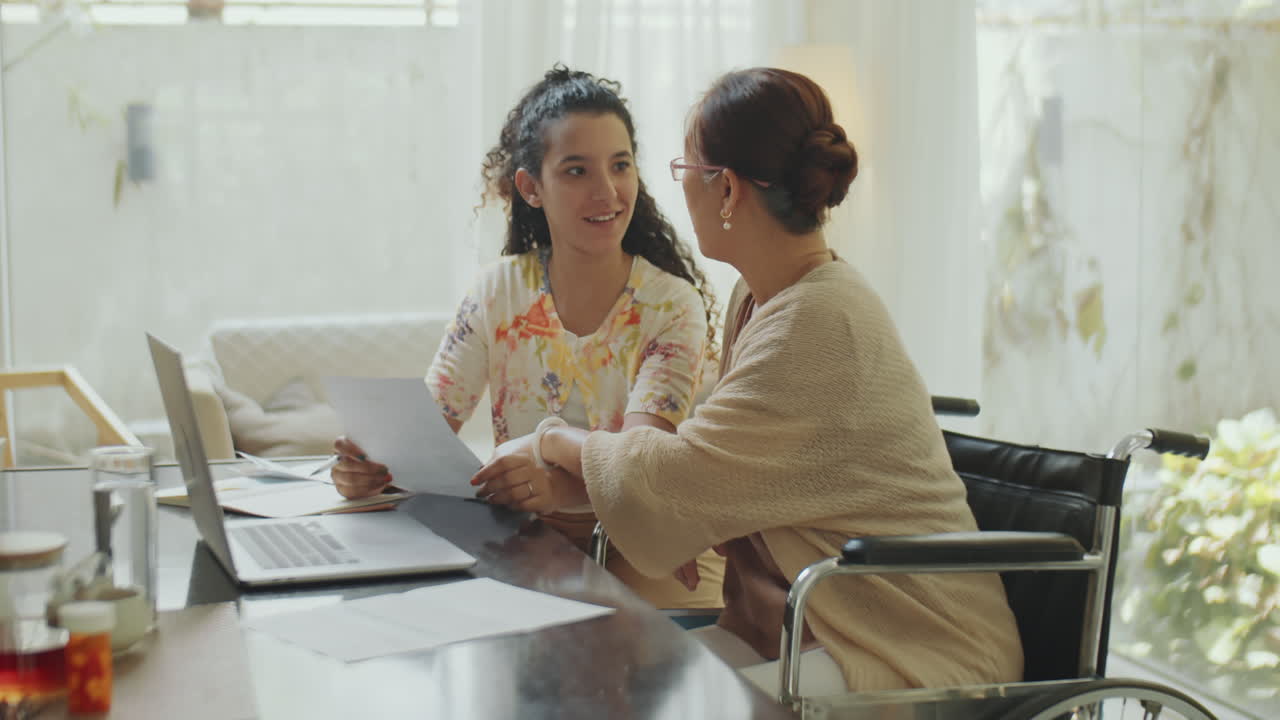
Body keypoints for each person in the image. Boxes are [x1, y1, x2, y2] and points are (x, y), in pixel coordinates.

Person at [471, 67, 1024, 695]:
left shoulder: (820, 320)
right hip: (792, 626)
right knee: (587, 683)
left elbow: (672, 475)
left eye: (685, 173)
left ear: (727, 189)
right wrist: (677, 504)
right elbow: (703, 476)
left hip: (904, 648)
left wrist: (550, 440)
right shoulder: (759, 300)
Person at [332, 65, 725, 610]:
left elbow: (640, 471)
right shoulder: (497, 293)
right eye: (576, 170)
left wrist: (557, 488)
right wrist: (371, 470)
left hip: (634, 559)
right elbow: (424, 437)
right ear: (530, 188)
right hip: (520, 554)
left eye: (620, 165)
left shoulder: (670, 305)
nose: (607, 191)